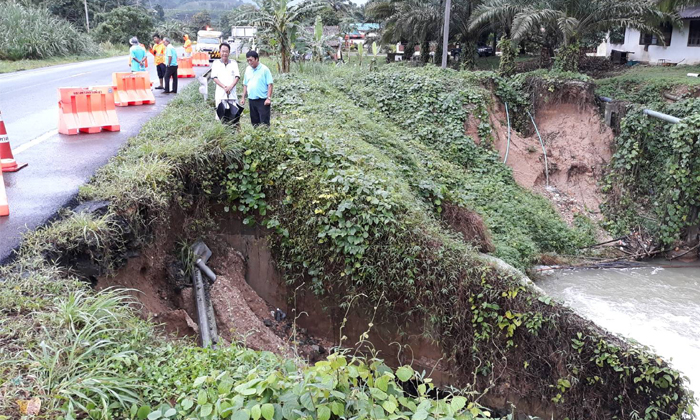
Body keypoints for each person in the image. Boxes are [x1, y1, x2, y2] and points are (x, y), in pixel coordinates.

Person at [241, 50, 273, 126]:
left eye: (251, 60)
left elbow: (270, 84)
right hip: (251, 99)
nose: (249, 62)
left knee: (264, 121)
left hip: (263, 100)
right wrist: (243, 97)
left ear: (257, 59)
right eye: (248, 60)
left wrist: (268, 98)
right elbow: (245, 84)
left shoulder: (265, 69)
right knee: (254, 121)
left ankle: (266, 136)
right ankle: (256, 136)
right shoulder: (248, 69)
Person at [211, 43, 240, 115]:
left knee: (234, 116)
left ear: (229, 52)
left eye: (226, 51)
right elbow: (214, 77)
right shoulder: (216, 63)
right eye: (223, 51)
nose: (224, 53)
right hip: (220, 94)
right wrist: (224, 87)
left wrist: (230, 87)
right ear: (219, 52)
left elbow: (237, 77)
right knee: (221, 116)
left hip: (232, 93)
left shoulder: (233, 63)